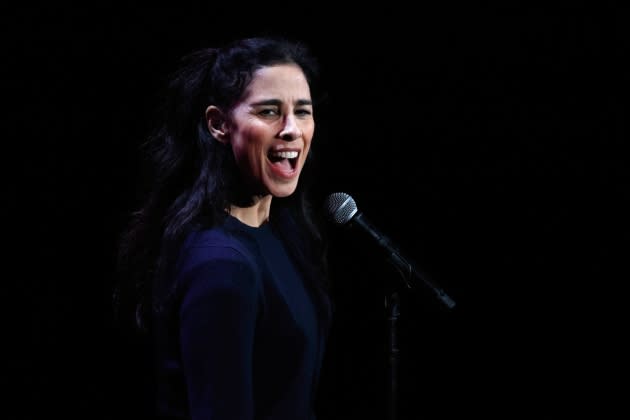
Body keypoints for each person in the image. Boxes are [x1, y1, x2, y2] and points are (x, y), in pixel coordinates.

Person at [114, 36, 333, 419]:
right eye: (268, 112)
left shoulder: (279, 230)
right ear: (218, 124)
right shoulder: (222, 265)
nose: (291, 129)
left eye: (302, 111)